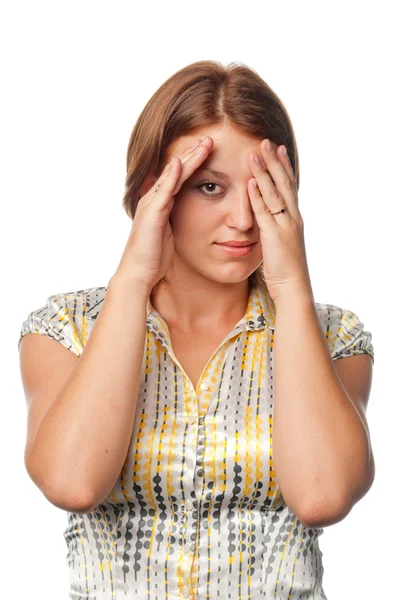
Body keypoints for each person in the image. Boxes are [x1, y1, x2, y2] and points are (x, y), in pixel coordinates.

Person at [18, 60, 374, 599]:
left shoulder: (333, 335)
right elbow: (73, 483)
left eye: (261, 190)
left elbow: (322, 496)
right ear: (154, 191)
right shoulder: (67, 328)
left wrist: (292, 290)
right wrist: (134, 279)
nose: (243, 220)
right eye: (210, 187)